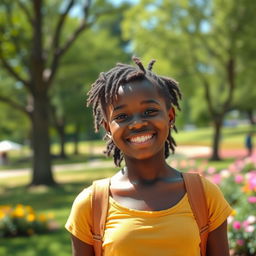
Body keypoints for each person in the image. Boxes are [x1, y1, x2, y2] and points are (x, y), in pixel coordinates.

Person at [65, 57, 232, 256]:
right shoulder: (90, 205)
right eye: (121, 116)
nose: (136, 124)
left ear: (170, 116)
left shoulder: (204, 195)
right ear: (108, 128)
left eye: (150, 111)